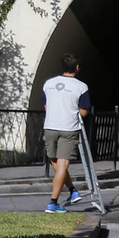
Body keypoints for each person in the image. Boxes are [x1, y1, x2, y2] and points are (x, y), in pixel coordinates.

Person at [41, 54, 89, 213]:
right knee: (63, 164)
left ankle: (72, 191)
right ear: (77, 68)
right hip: (69, 128)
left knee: (53, 160)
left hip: (50, 126)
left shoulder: (48, 84)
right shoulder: (81, 86)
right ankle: (53, 202)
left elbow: (46, 105)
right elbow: (83, 111)